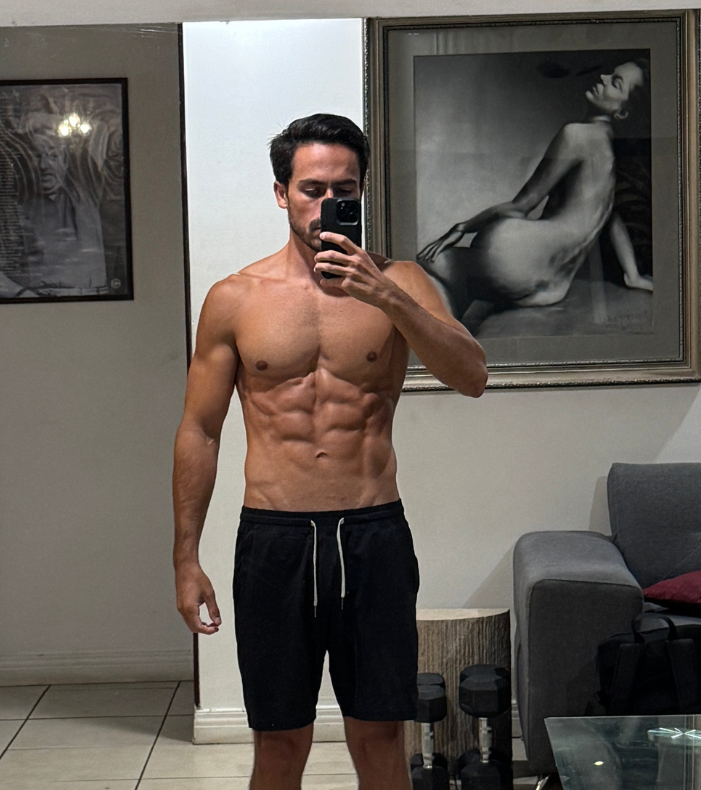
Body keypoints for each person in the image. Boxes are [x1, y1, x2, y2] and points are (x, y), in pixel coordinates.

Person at [172, 114, 487, 790]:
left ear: (362, 191)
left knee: (379, 736)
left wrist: (387, 297)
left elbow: (472, 376)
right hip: (274, 539)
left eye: (343, 189)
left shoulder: (401, 281)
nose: (326, 204)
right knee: (280, 741)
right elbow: (200, 430)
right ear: (281, 193)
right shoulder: (235, 298)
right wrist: (185, 556)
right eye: (311, 189)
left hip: (372, 534)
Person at [416, 59, 653, 329]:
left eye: (616, 83)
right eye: (610, 72)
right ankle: (454, 325)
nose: (603, 77)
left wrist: (463, 227)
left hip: (516, 257)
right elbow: (611, 216)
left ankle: (445, 334)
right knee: (457, 282)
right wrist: (633, 275)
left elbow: (521, 205)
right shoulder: (609, 151)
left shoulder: (576, 135)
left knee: (435, 263)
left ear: (622, 112)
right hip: (552, 285)